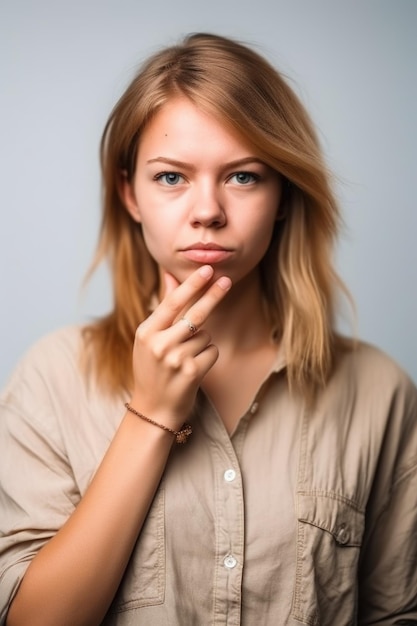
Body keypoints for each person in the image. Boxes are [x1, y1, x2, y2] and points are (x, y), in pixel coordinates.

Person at [0, 32, 416, 626]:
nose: (207, 211)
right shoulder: (50, 380)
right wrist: (151, 415)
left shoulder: (379, 391)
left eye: (243, 176)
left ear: (282, 195)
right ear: (130, 193)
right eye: (171, 177)